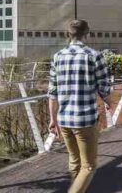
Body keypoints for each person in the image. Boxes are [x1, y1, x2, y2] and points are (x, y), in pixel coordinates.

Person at [48, 20, 112, 193]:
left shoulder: (57, 56)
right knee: (89, 166)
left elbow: (52, 92)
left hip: (64, 119)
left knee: (75, 160)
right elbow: (104, 87)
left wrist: (53, 119)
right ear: (87, 33)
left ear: (68, 34)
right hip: (85, 119)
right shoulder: (94, 55)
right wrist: (109, 102)